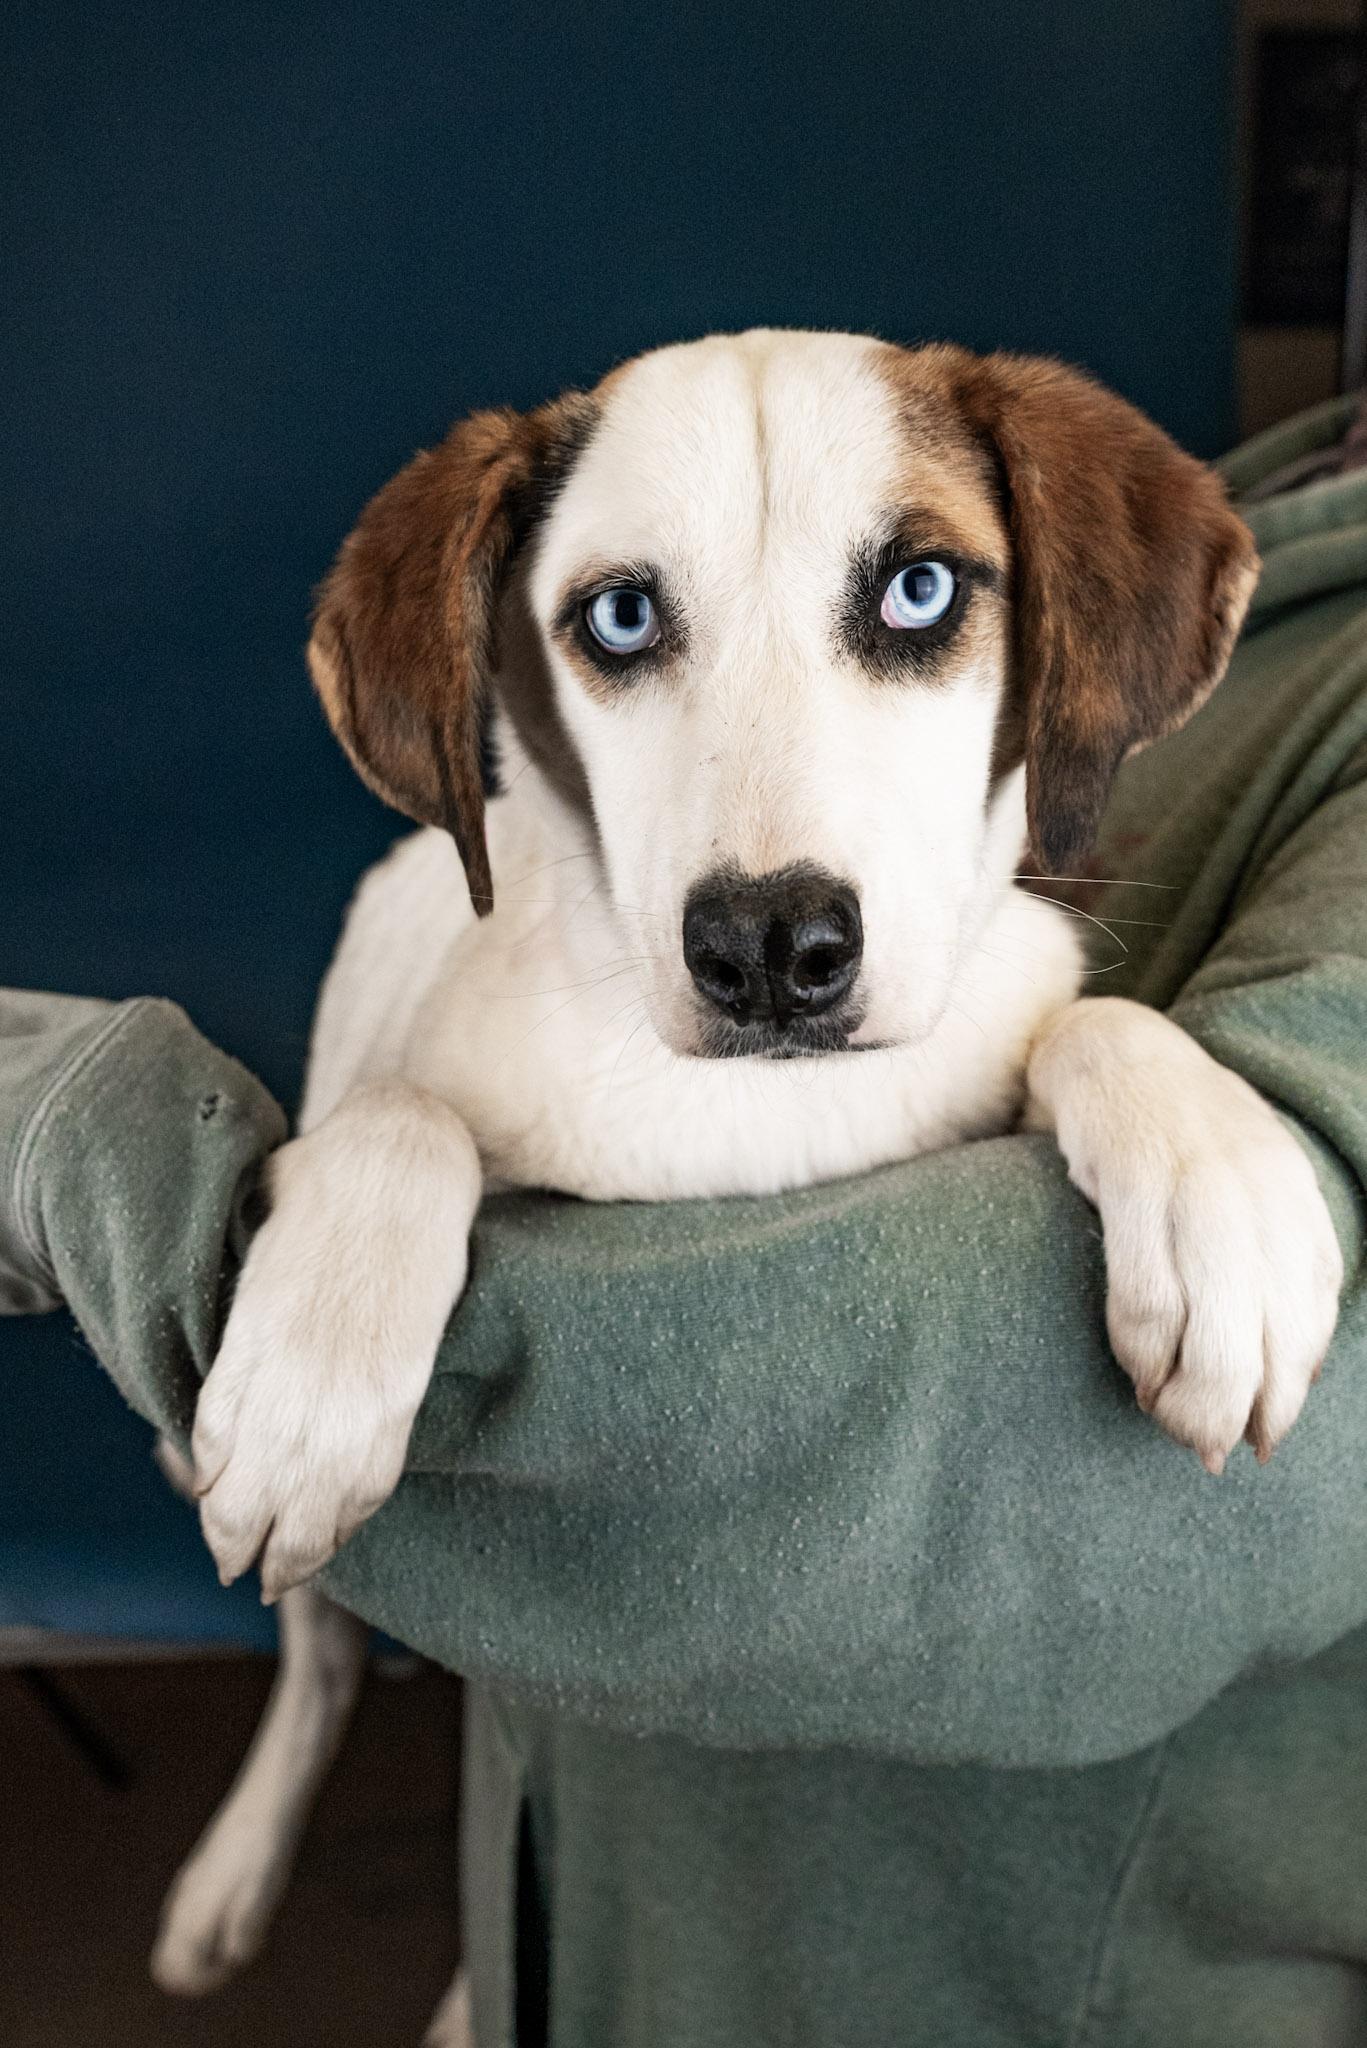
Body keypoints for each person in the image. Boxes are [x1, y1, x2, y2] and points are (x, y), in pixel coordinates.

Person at [4, 399, 1367, 2046]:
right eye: (626, 621)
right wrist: (389, 1149)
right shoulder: (1295, 473)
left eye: (914, 598)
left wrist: (1118, 1055)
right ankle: (314, 1742)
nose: (772, 881)